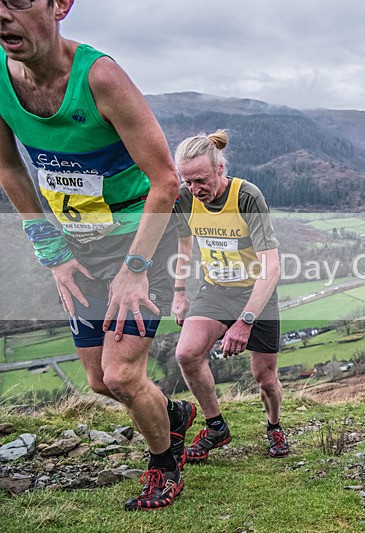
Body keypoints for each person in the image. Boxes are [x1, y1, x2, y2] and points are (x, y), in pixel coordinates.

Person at [0, 0, 194, 511]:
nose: (2, 15)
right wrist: (52, 251)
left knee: (123, 374)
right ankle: (171, 414)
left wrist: (135, 270)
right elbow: (11, 170)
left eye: (16, 1)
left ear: (60, 5)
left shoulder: (101, 78)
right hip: (77, 245)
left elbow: (167, 182)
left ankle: (164, 466)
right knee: (97, 381)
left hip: (141, 241)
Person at [171, 131, 289, 460]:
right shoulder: (184, 198)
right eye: (188, 181)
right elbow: (184, 245)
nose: (195, 189)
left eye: (201, 180)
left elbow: (272, 266)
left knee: (264, 378)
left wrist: (245, 321)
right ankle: (216, 426)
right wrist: (179, 292)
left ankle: (274, 426)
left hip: (256, 294)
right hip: (215, 290)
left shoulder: (247, 196)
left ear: (220, 169)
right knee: (187, 354)